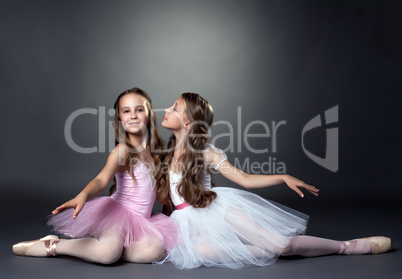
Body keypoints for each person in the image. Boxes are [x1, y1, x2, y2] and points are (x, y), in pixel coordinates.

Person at [154, 92, 391, 269]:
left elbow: (244, 179)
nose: (167, 108)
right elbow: (172, 195)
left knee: (281, 246)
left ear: (187, 122)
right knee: (199, 251)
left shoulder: (206, 152)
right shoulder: (170, 150)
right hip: (187, 222)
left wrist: (282, 177)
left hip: (216, 210)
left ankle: (347, 247)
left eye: (175, 108)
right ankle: (265, 249)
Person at [12, 88, 176, 264]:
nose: (133, 115)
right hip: (116, 215)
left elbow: (162, 195)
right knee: (108, 253)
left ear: (149, 114)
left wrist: (169, 217)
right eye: (126, 111)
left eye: (139, 110)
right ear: (120, 119)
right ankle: (55, 245)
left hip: (141, 221)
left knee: (155, 252)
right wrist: (82, 196)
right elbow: (101, 180)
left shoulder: (156, 154)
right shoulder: (122, 151)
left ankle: (104, 248)